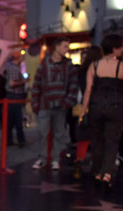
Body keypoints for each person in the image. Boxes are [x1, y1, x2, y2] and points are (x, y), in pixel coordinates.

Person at [79, 34, 123, 187]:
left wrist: (84, 110)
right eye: (121, 47)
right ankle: (107, 173)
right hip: (116, 106)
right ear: (116, 49)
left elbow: (88, 90)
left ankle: (97, 171)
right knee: (112, 140)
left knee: (97, 140)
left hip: (96, 105)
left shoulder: (94, 66)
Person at [31, 37, 79, 170]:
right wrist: (35, 104)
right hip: (44, 105)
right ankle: (42, 158)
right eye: (65, 46)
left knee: (59, 134)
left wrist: (67, 102)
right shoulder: (44, 64)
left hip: (61, 106)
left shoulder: (69, 65)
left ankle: (56, 159)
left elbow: (73, 85)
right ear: (57, 47)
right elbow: (37, 85)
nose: (67, 49)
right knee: (42, 132)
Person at [73, 46, 103, 179]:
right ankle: (96, 167)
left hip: (84, 106)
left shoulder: (81, 71)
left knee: (83, 137)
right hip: (96, 105)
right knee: (97, 137)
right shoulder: (98, 70)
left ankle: (79, 162)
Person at [5, 51, 29, 147]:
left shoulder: (11, 67)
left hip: (12, 96)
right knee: (18, 119)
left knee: (10, 121)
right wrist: (24, 81)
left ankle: (9, 140)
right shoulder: (14, 68)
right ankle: (21, 140)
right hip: (15, 96)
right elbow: (12, 84)